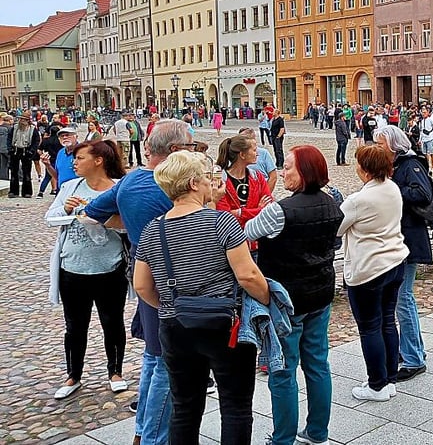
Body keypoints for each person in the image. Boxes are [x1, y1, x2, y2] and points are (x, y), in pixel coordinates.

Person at [133, 150, 270, 445]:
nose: (212, 183)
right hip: (224, 326)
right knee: (235, 406)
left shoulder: (153, 229)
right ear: (193, 183)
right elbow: (248, 275)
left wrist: (170, 306)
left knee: (184, 406)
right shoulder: (222, 223)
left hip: (175, 327)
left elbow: (142, 286)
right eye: (207, 178)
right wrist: (269, 300)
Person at [84, 119, 195, 444]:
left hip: (142, 272)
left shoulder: (130, 181)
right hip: (173, 279)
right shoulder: (170, 186)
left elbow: (93, 212)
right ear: (175, 150)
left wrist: (131, 224)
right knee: (166, 362)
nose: (194, 153)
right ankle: (153, 437)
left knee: (152, 356)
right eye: (190, 147)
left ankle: (141, 431)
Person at [244, 145, 344, 443]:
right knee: (317, 363)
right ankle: (318, 431)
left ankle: (283, 438)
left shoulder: (280, 211)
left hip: (286, 301)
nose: (282, 172)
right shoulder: (332, 204)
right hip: (320, 293)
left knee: (283, 369)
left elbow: (246, 232)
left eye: (288, 167)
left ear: (304, 172)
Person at [45, 140, 128, 400]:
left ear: (98, 161)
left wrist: (105, 220)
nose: (74, 163)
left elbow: (128, 225)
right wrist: (66, 209)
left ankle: (115, 372)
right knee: (74, 326)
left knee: (112, 322)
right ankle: (73, 375)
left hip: (109, 268)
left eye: (80, 158)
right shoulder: (70, 187)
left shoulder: (118, 188)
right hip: (72, 268)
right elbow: (50, 218)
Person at [336, 145, 409, 401]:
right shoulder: (392, 188)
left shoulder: (358, 200)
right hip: (395, 260)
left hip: (369, 269)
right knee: (387, 321)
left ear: (365, 170)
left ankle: (376, 384)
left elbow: (336, 227)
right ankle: (389, 379)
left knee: (369, 327)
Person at [374, 125, 432, 380]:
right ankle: (413, 348)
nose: (377, 148)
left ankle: (413, 359)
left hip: (409, 240)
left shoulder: (410, 164)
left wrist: (392, 191)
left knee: (403, 299)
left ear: (393, 145)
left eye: (380, 144)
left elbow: (422, 193)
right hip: (397, 240)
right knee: (400, 298)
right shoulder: (393, 167)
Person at [216, 135, 273, 258]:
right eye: (254, 150)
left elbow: (268, 209)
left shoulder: (257, 177)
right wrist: (258, 209)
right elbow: (224, 216)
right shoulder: (221, 182)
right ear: (242, 154)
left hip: (257, 243)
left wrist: (239, 213)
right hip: (232, 245)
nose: (257, 153)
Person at [7, 111, 41, 198]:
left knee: (26, 172)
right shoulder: (14, 128)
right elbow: (9, 138)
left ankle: (27, 192)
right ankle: (13, 191)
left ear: (28, 120)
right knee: (14, 172)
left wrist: (32, 151)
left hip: (26, 150)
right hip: (15, 150)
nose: (22, 121)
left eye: (24, 119)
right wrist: (9, 148)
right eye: (21, 119)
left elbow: (36, 141)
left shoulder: (32, 129)